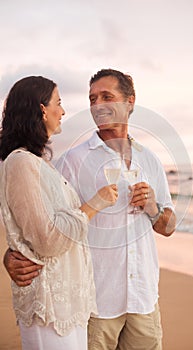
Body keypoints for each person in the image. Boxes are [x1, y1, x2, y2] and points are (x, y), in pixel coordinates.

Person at [3, 69, 176, 350]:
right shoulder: (73, 160)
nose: (97, 105)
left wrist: (153, 207)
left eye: (107, 97)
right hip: (96, 303)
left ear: (130, 102)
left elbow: (168, 227)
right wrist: (12, 255)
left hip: (144, 300)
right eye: (92, 98)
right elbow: (39, 219)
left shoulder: (150, 159)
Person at [0, 75, 118, 350]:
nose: (63, 111)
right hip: (49, 305)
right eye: (59, 103)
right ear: (42, 109)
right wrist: (93, 205)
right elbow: (47, 239)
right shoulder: (20, 163)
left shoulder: (39, 163)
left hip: (67, 301)